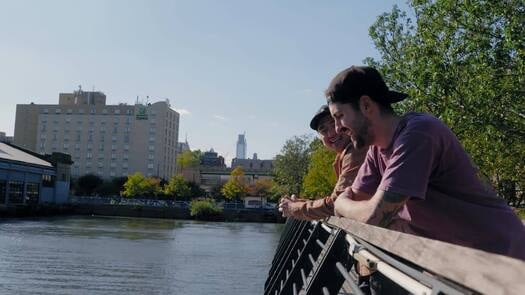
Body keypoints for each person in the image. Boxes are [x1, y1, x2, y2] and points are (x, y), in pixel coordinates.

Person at [325, 65, 525, 260]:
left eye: (339, 116)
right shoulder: (376, 152)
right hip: (465, 265)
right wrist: (348, 205)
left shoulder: (419, 133)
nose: (337, 128)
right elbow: (360, 207)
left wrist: (342, 203)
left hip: (505, 256)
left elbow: (374, 216)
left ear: (366, 105)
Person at [278, 105, 367, 221]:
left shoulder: (356, 150)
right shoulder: (345, 154)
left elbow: (339, 204)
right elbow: (338, 201)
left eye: (334, 124)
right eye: (323, 130)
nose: (331, 133)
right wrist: (302, 203)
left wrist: (294, 207)